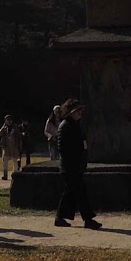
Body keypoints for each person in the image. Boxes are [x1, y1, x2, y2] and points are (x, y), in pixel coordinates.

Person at [53, 98, 101, 230]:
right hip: (70, 167)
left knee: (70, 192)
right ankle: (88, 219)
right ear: (71, 112)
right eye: (77, 111)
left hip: (76, 166)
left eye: (81, 111)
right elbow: (63, 148)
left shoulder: (75, 124)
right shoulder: (65, 125)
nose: (80, 113)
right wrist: (75, 160)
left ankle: (59, 217)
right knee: (80, 192)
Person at [0, 114, 21, 181]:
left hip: (14, 146)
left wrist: (19, 145)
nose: (9, 121)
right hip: (6, 147)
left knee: (15, 161)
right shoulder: (4, 128)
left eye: (10, 120)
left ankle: (16, 174)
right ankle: (5, 175)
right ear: (5, 121)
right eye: (7, 120)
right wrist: (3, 127)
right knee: (5, 161)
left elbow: (19, 136)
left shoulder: (15, 127)